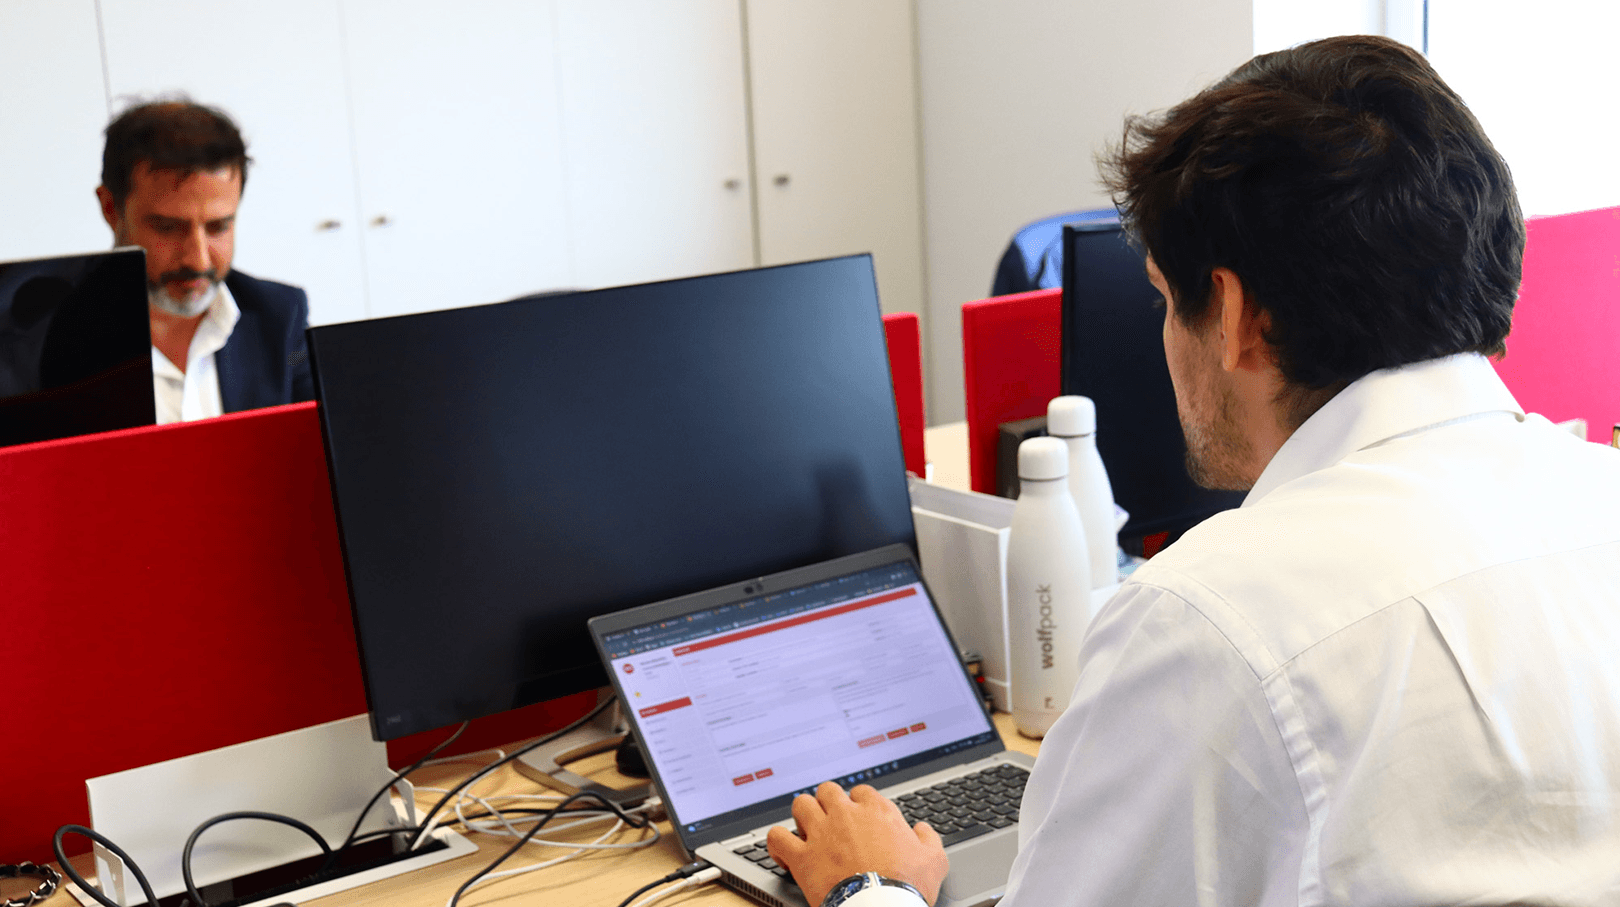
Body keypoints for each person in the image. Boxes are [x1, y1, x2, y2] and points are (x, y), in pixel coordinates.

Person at [767, 35, 1620, 907]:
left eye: (1166, 300)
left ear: (1240, 316)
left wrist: (869, 886)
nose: (1167, 337)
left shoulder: (1212, 622)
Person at [97, 98, 313, 424]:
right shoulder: (41, 337)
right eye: (168, 228)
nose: (197, 260)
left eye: (218, 227)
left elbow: (320, 450)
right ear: (111, 209)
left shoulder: (280, 317)